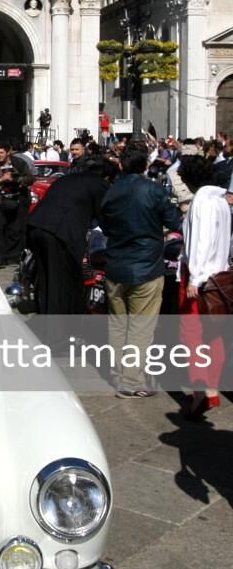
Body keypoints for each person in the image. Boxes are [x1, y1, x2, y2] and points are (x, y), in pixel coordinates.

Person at [100, 145, 184, 398]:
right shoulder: (154, 190)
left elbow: (103, 225)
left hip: (116, 264)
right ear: (145, 166)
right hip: (145, 266)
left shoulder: (111, 191)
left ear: (122, 165)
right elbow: (175, 222)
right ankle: (131, 380)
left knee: (118, 324)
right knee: (140, 328)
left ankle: (120, 373)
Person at [176, 155, 231, 419]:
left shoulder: (202, 202)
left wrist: (195, 278)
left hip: (201, 275)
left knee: (192, 333)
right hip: (219, 273)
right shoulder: (220, 200)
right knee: (213, 333)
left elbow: (201, 241)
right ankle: (210, 386)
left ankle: (202, 390)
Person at [26, 157, 117, 315]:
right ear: (107, 176)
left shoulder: (67, 179)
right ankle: (58, 329)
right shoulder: (98, 184)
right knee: (62, 282)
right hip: (59, 233)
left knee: (47, 278)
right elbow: (106, 219)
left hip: (36, 227)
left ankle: (47, 318)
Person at [0, 144, 33, 268]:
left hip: (18, 201)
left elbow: (30, 178)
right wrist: (1, 179)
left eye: (1, 152)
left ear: (8, 152)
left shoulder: (19, 163)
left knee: (15, 230)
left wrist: (16, 180)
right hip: (0, 202)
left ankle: (13, 257)